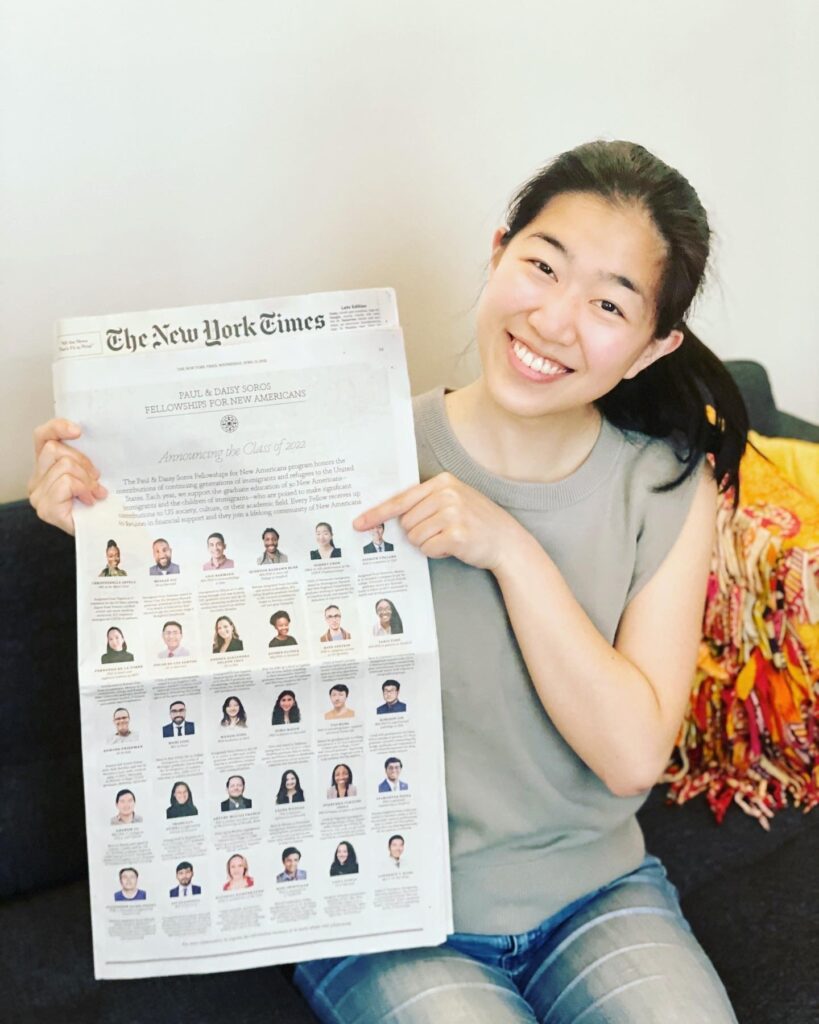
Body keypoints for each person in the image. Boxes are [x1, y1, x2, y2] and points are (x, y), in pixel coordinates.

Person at [30, 140, 746, 1022]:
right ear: (496, 254)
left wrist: (508, 549)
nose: (555, 320)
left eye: (607, 302)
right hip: (379, 907)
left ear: (650, 347)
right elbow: (222, 652)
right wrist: (107, 525)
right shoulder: (342, 451)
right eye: (540, 266)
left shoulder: (667, 484)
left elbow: (632, 755)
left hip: (596, 893)